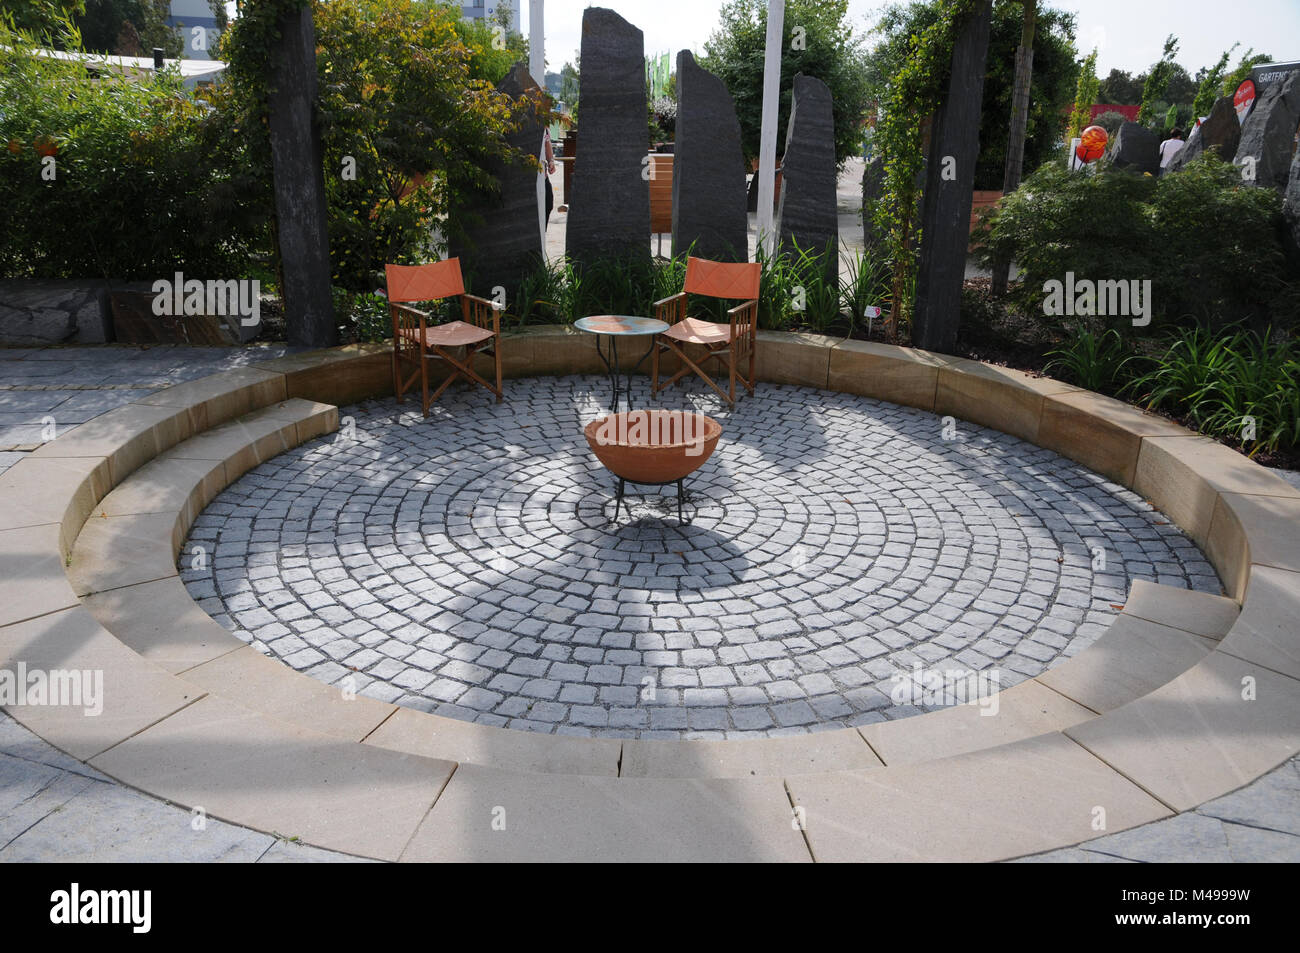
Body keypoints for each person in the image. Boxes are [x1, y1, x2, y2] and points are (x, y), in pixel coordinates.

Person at [541, 127, 556, 226]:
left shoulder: (544, 127)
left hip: (543, 175)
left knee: (548, 204)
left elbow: (547, 143)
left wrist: (551, 160)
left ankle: (543, 232)